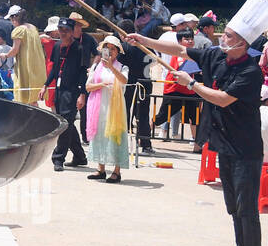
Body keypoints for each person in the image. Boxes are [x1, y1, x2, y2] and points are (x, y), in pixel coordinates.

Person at [126, 0, 268, 246]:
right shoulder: (217, 56)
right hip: (226, 145)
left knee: (247, 209)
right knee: (233, 207)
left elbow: (222, 99)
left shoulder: (249, 70)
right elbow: (180, 51)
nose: (223, 37)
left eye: (229, 35)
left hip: (246, 149)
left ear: (242, 43)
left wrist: (192, 83)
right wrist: (143, 41)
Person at [41, 18, 89, 170]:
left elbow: (83, 73)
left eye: (66, 30)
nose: (62, 33)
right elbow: (55, 69)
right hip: (60, 89)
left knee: (64, 124)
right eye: (60, 29)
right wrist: (45, 85)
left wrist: (82, 94)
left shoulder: (80, 49)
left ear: (72, 32)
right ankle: (80, 156)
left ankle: (58, 158)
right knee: (67, 123)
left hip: (73, 90)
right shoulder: (56, 47)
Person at [85, 36, 130, 182]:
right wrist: (101, 85)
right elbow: (88, 86)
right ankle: (101, 168)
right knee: (100, 134)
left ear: (117, 52)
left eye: (113, 49)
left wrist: (111, 67)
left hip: (115, 107)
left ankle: (117, 171)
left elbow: (124, 80)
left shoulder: (122, 67)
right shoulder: (97, 66)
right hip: (99, 106)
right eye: (107, 48)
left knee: (115, 135)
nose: (110, 52)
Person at [153, 28, 201, 141]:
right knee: (162, 116)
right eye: (186, 39)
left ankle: (197, 143)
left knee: (195, 117)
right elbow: (184, 69)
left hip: (189, 89)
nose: (190, 41)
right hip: (174, 89)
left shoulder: (194, 54)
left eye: (191, 39)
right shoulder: (179, 53)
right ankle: (144, 135)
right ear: (180, 41)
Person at [116, 18, 154, 153]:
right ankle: (146, 143)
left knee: (124, 111)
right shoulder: (145, 45)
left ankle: (122, 142)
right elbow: (153, 59)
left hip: (128, 82)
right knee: (143, 113)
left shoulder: (123, 47)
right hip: (145, 81)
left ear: (122, 33)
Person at [6, 7, 46, 105]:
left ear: (14, 18)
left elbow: (15, 50)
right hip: (37, 65)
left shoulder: (18, 30)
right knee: (33, 98)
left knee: (24, 97)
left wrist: (5, 55)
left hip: (25, 66)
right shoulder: (33, 27)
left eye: (11, 19)